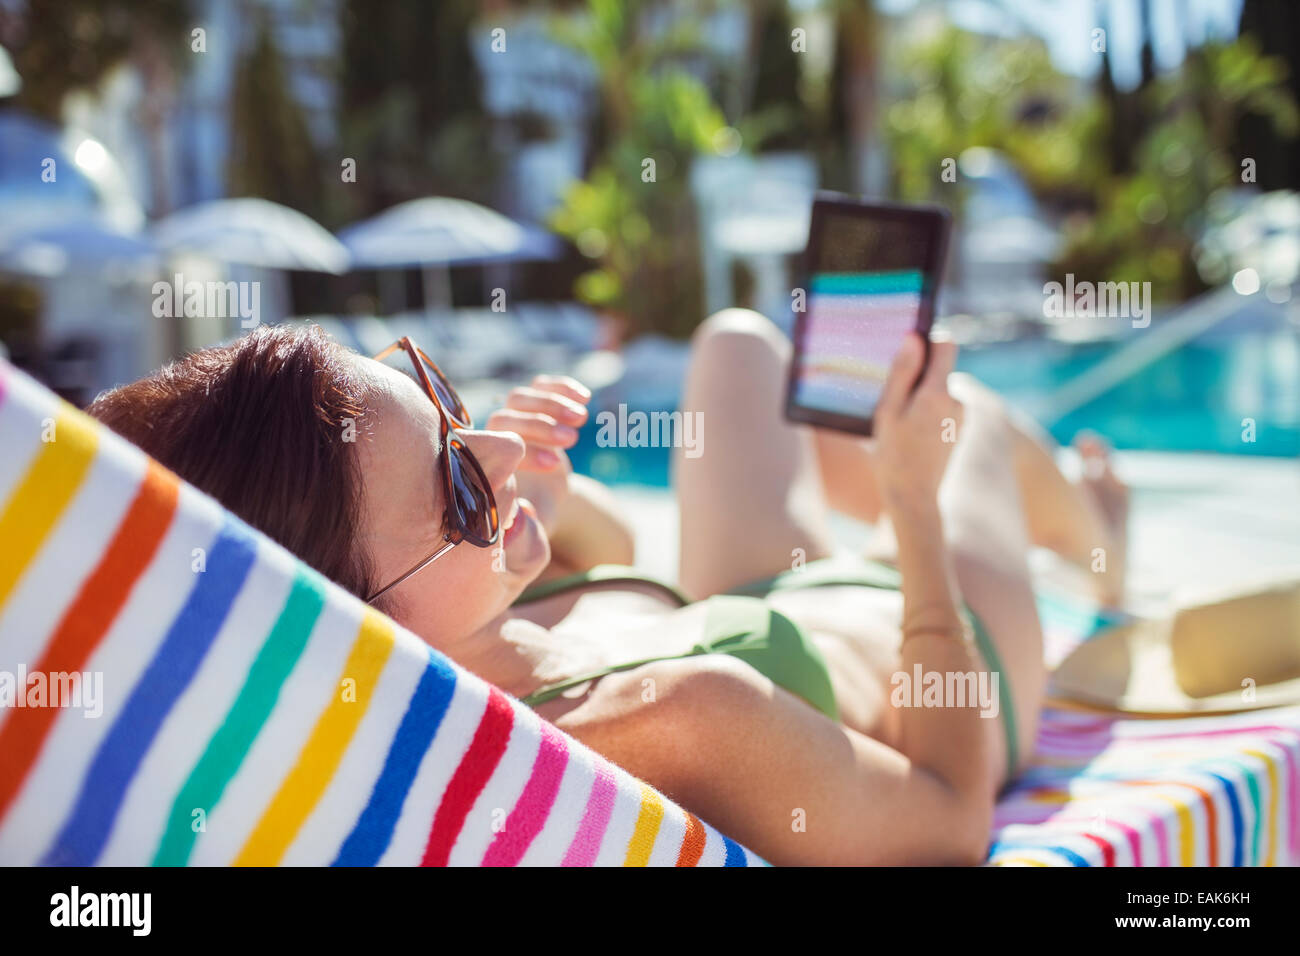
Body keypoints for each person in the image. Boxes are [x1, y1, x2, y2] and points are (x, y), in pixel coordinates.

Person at [88, 310, 1127, 865]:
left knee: (736, 347)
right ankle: (1098, 540)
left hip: (766, 603)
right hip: (938, 660)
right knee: (971, 419)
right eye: (457, 481)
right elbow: (951, 821)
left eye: (449, 407)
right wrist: (911, 500)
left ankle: (889, 454)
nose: (493, 444)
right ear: (368, 621)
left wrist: (535, 498)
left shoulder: (468, 640)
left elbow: (623, 557)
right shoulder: (676, 717)